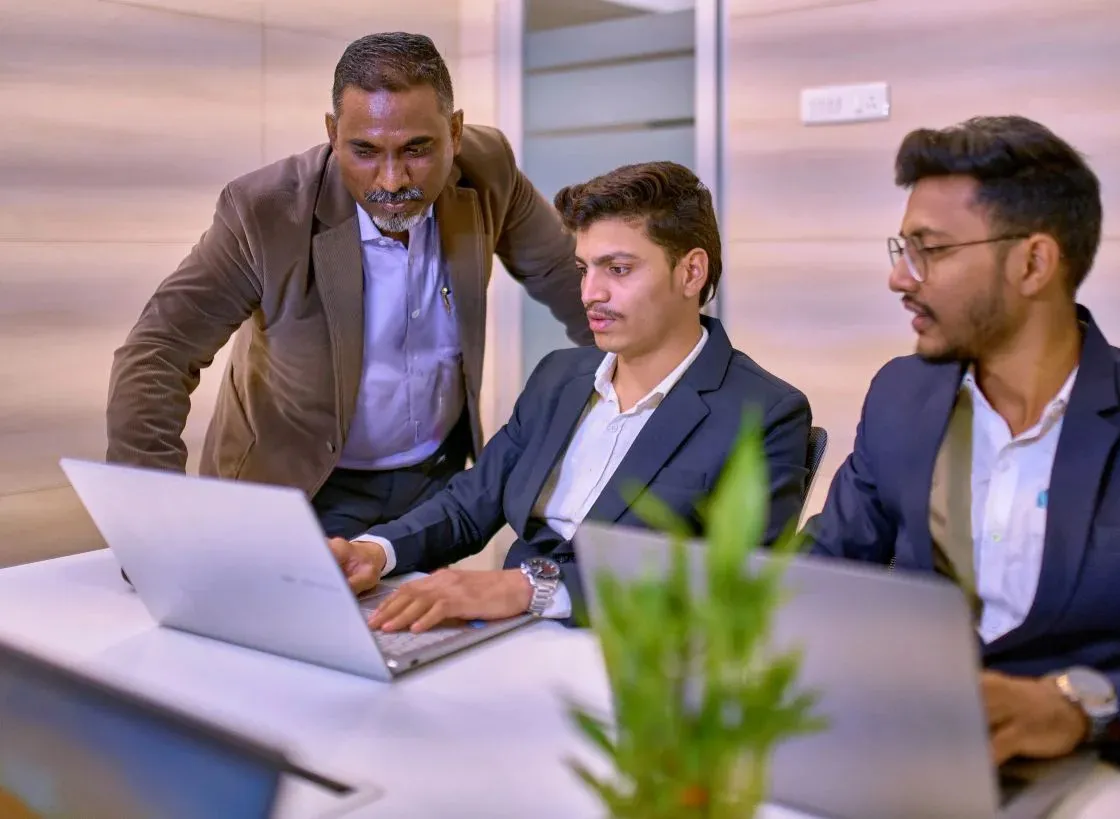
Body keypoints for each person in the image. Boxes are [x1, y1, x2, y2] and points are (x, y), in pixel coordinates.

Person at [803, 115, 1120, 774]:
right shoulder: (898, 396)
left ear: (1032, 262)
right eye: (900, 247)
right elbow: (827, 567)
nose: (899, 278)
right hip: (896, 753)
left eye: (930, 249)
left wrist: (1081, 709)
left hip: (1092, 775)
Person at [105, 32, 591, 537]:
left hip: (433, 489)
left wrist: (664, 394)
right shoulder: (264, 212)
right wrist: (152, 523)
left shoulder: (488, 169)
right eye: (364, 150)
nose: (393, 179)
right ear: (333, 134)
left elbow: (575, 286)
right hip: (298, 493)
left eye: (417, 149)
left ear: (455, 131)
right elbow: (158, 352)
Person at [330, 161, 812, 631]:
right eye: (584, 269)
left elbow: (735, 581)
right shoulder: (559, 376)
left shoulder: (764, 412)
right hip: (507, 633)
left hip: (636, 654)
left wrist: (529, 589)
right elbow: (470, 502)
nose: (589, 293)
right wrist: (376, 550)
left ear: (691, 273)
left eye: (618, 269)